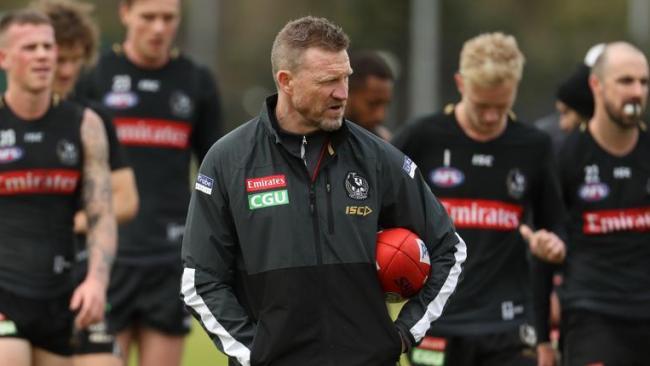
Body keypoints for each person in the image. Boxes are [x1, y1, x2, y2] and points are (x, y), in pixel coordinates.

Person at [180, 16, 467, 366]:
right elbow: (200, 279)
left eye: (346, 77)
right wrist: (255, 353)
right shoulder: (228, 161)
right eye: (329, 81)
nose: (343, 93)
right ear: (286, 81)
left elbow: (448, 250)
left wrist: (402, 334)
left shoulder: (377, 157)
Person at [392, 32, 566, 366]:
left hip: (509, 322)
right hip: (438, 318)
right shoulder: (422, 137)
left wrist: (553, 243)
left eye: (501, 106)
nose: (490, 117)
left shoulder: (534, 146)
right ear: (460, 83)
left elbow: (556, 222)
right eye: (481, 105)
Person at [75, 0, 222, 364]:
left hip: (170, 256)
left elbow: (215, 171)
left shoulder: (196, 80)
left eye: (168, 18)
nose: (159, 28)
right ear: (125, 14)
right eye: (148, 17)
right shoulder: (95, 76)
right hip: (107, 257)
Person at [0, 9, 116, 366]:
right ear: (3, 57)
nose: (43, 55)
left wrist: (96, 284)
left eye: (47, 47)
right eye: (30, 47)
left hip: (64, 294)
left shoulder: (86, 125)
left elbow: (102, 215)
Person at [31, 0, 140, 364]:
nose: (66, 70)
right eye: (59, 58)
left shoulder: (94, 120)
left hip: (79, 274)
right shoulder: (10, 118)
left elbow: (125, 199)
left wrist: (77, 220)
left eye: (75, 59)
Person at [552, 41, 650, 366]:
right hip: (593, 316)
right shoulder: (564, 157)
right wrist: (540, 336)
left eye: (644, 82)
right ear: (596, 85)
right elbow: (543, 246)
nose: (637, 91)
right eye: (626, 81)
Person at [344, 50, 394, 140]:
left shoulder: (383, 144)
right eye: (372, 104)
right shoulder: (317, 143)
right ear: (347, 93)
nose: (380, 116)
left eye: (386, 105)